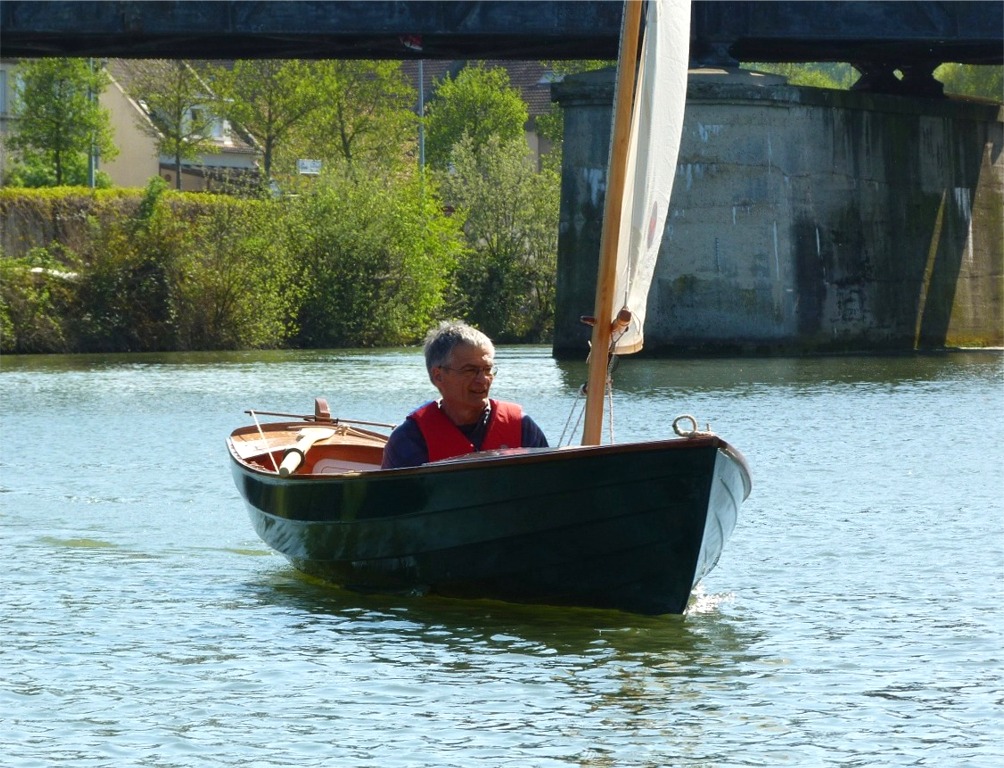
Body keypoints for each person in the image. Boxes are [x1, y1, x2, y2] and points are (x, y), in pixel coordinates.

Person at [381, 321, 548, 469]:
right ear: (439, 375)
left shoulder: (522, 427)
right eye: (470, 370)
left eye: (487, 369)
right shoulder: (409, 440)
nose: (482, 380)